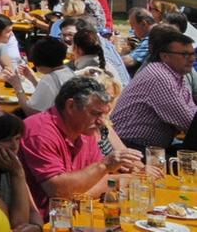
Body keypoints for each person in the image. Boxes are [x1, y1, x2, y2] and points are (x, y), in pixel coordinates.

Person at [19, 74, 141, 217]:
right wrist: (105, 166)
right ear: (71, 106)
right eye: (96, 113)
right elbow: (58, 191)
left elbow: (95, 181)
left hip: (71, 216)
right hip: (44, 222)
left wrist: (127, 179)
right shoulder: (40, 133)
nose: (101, 121)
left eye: (104, 114)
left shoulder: (85, 130)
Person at [109, 24, 197, 150]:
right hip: (129, 148)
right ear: (165, 56)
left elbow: (192, 114)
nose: (191, 59)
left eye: (192, 54)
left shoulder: (176, 75)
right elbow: (189, 122)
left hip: (148, 147)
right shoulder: (159, 77)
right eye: (185, 54)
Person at [15, 36, 73, 115]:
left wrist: (17, 87)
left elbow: (30, 112)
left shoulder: (49, 79)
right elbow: (50, 92)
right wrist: (32, 79)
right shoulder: (68, 71)